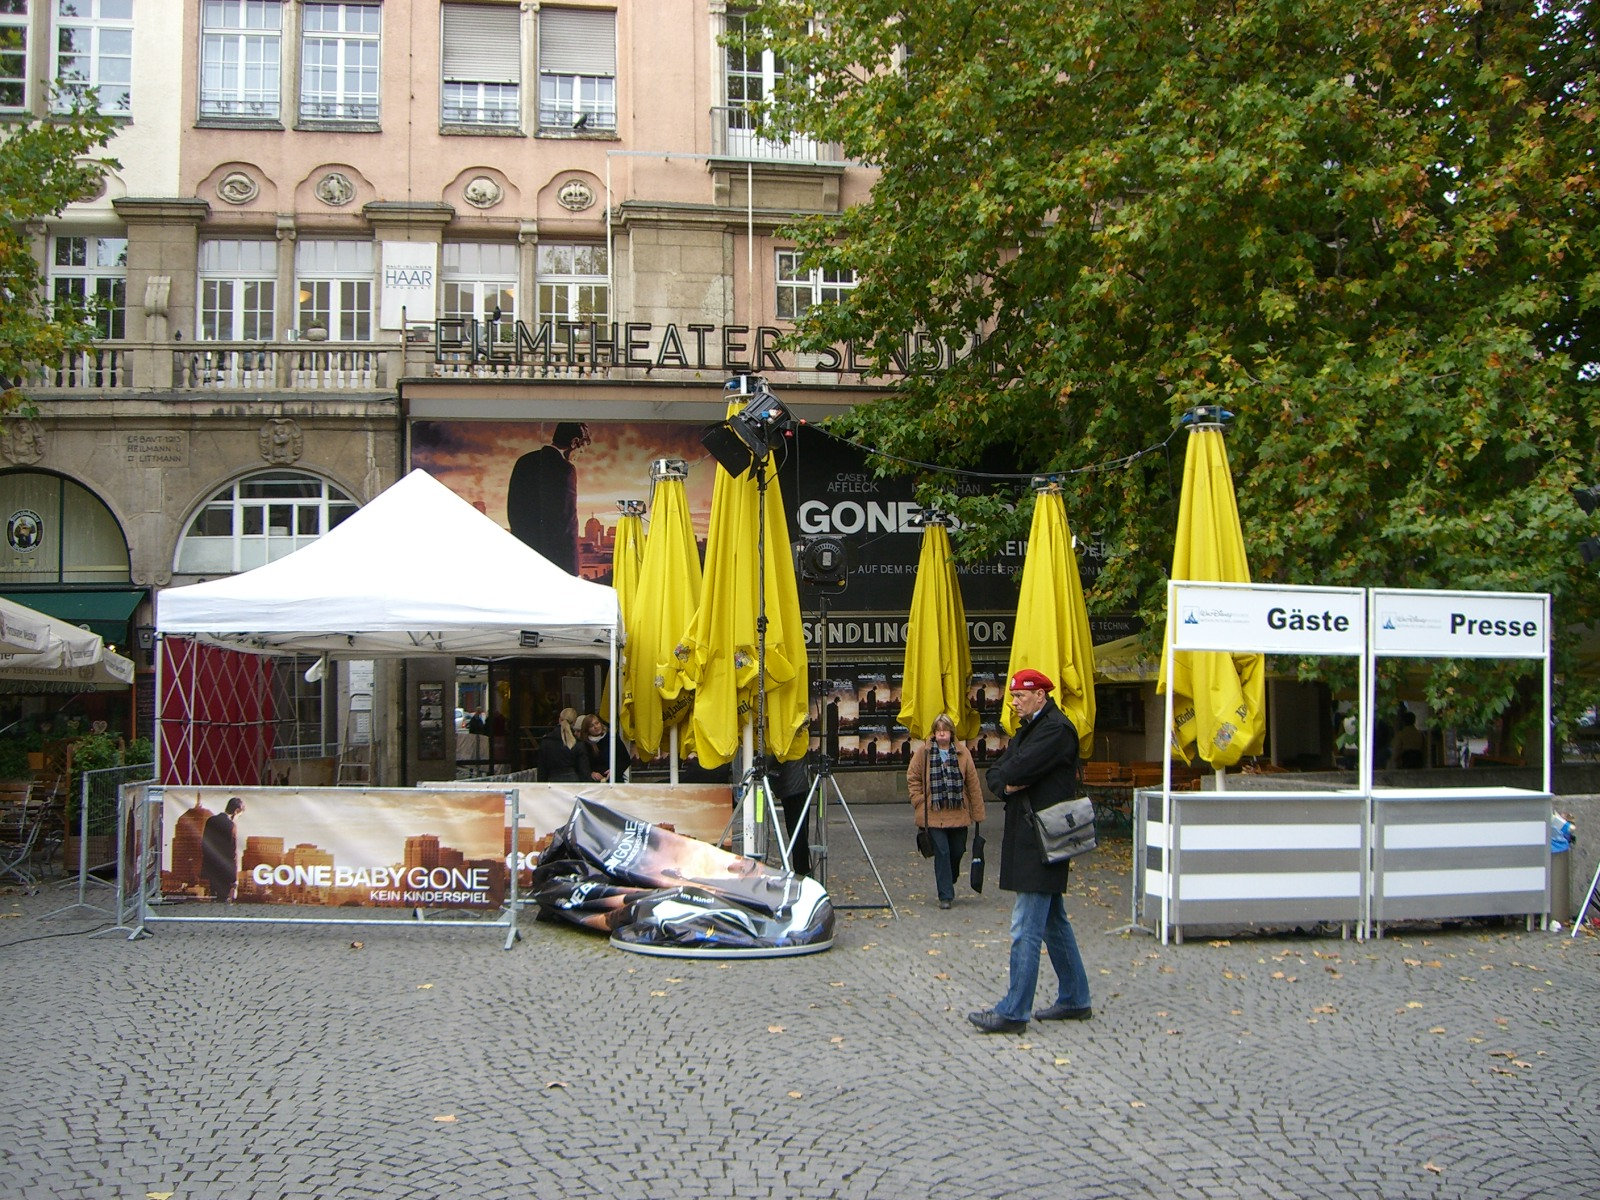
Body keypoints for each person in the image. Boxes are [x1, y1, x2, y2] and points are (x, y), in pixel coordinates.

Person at [968, 669, 1092, 1034]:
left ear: (1040, 694)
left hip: (1043, 839)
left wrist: (1007, 778)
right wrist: (1005, 781)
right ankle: (1076, 998)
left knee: (1025, 926)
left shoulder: (1055, 730)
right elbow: (999, 772)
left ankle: (1014, 1011)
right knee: (1053, 922)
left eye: (1020, 696)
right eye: (1013, 697)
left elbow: (1016, 768)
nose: (1014, 703)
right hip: (1033, 837)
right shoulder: (1033, 728)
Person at [906, 713, 985, 909]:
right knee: (942, 851)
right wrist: (919, 800)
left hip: (958, 811)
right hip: (933, 812)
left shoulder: (963, 753)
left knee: (957, 850)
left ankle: (950, 877)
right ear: (934, 733)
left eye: (945, 731)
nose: (942, 734)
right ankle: (945, 895)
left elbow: (973, 784)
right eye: (938, 731)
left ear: (951, 733)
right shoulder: (923, 753)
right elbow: (913, 777)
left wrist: (977, 813)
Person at [506, 421, 590, 573]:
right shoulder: (565, 469)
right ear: (574, 442)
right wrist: (573, 570)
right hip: (555, 561)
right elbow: (567, 521)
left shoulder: (524, 461)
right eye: (580, 450)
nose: (578, 456)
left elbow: (513, 511)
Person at [773, 753, 813, 877]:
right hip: (795, 776)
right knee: (798, 825)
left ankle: (802, 870)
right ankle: (803, 870)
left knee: (796, 826)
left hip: (792, 777)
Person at [200, 797, 244, 902]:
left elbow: (204, 845)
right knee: (223, 901)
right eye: (239, 815)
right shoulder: (231, 825)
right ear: (236, 811)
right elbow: (232, 852)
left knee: (212, 900)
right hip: (224, 872)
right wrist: (234, 879)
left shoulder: (210, 820)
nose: (238, 818)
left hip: (210, 869)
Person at [575, 712, 623, 783]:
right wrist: (591, 773)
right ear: (587, 730)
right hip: (594, 782)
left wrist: (615, 770)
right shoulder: (584, 744)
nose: (596, 727)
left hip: (615, 780)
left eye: (597, 723)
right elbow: (580, 765)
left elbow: (624, 759)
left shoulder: (612, 737)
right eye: (591, 726)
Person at [538, 708, 582, 782]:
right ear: (574, 722)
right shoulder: (577, 742)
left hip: (553, 781)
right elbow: (583, 768)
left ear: (559, 719)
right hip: (573, 782)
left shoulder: (546, 741)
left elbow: (542, 768)